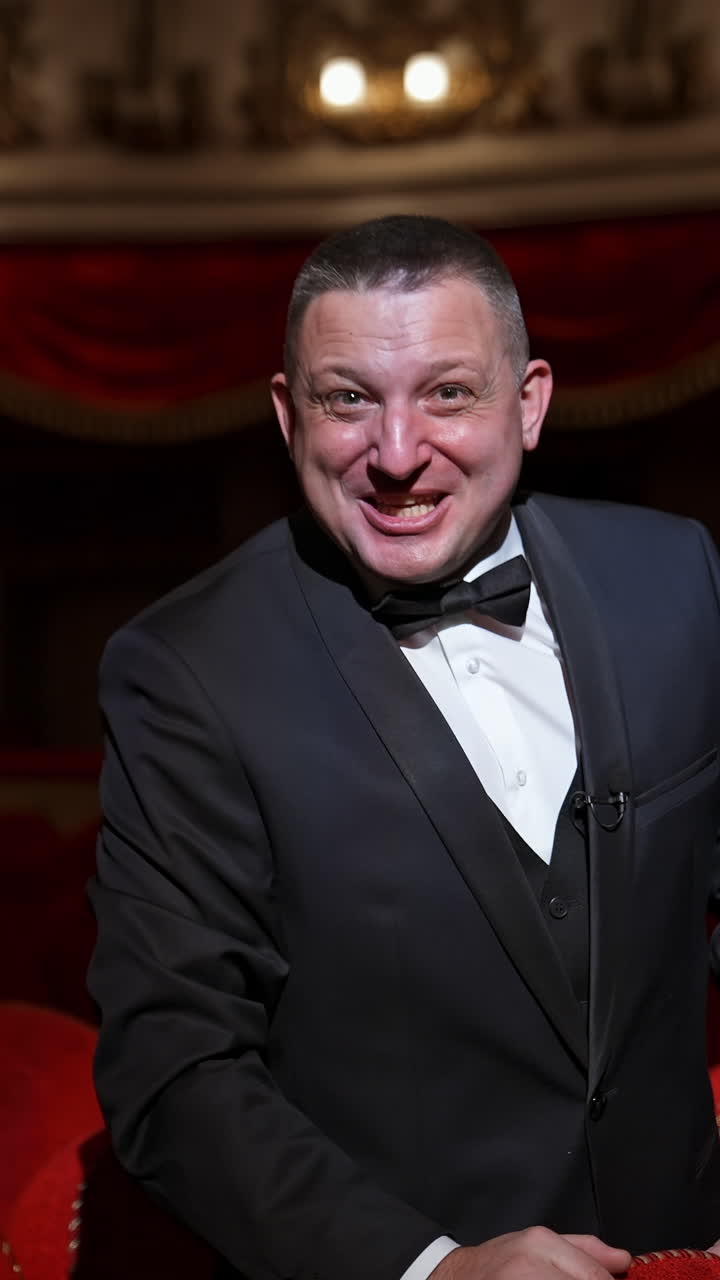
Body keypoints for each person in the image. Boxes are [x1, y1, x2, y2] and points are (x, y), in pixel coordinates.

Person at [88, 215, 720, 1280]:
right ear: (289, 414)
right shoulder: (183, 669)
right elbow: (174, 1067)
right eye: (348, 398)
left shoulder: (676, 577)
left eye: (448, 392)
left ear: (529, 403)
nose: (394, 452)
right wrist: (429, 1265)